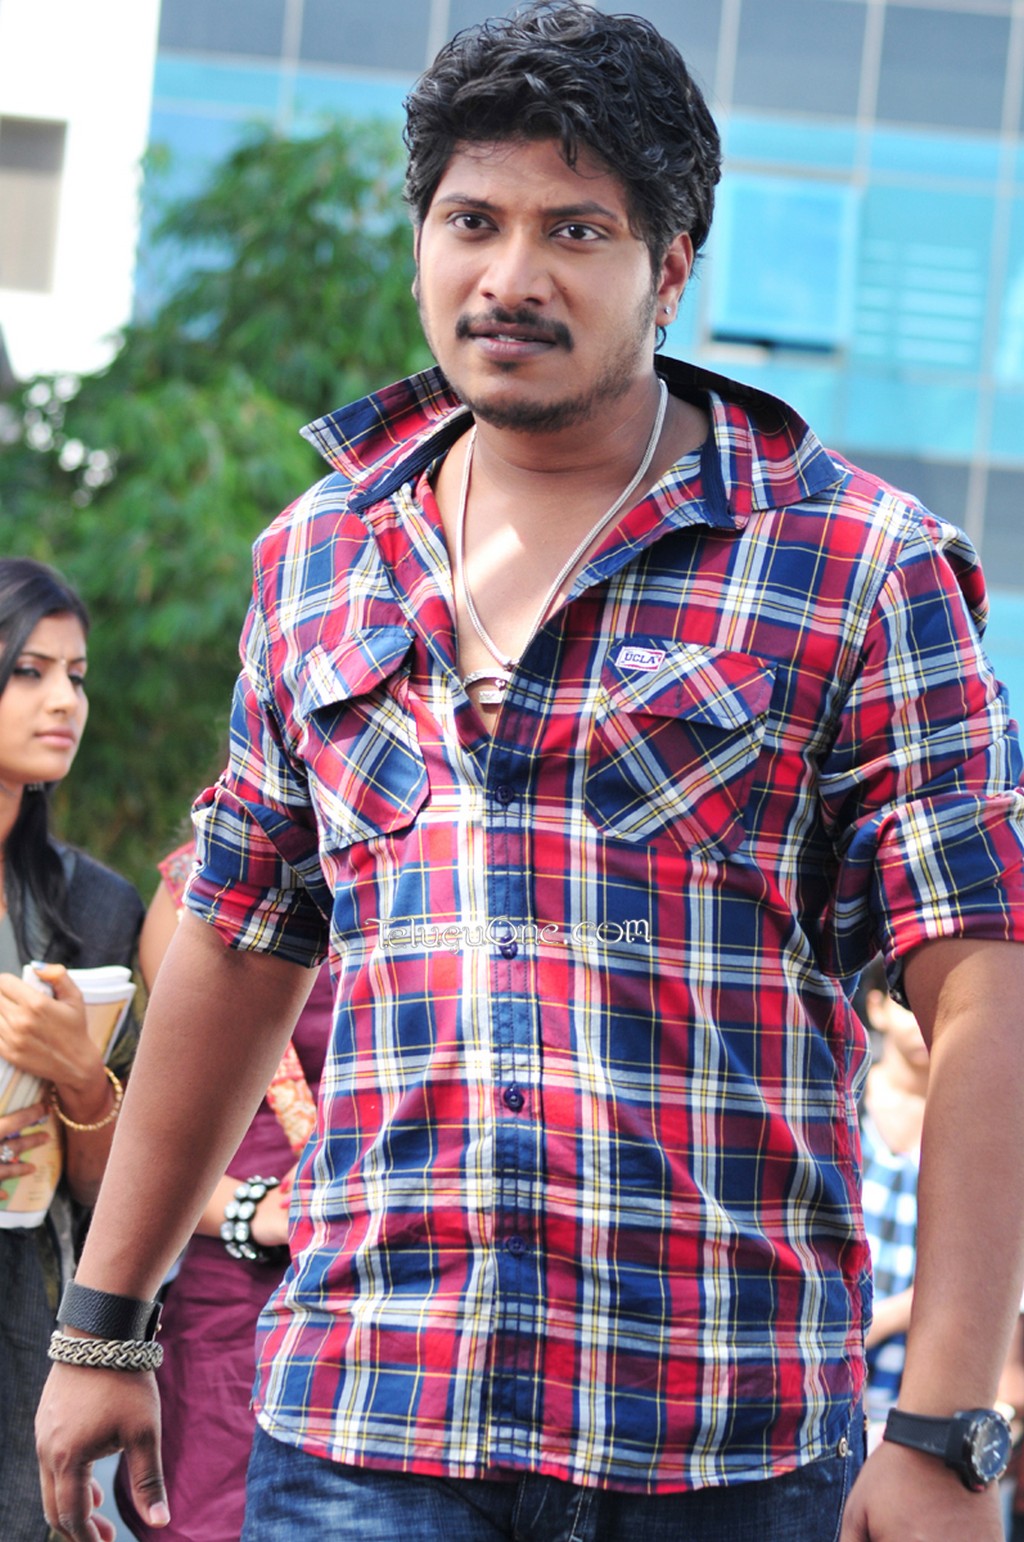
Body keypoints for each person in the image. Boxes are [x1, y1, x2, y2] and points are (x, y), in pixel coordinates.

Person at [35, 5, 1024, 1541]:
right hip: (366, 1429)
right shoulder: (320, 557)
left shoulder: (857, 565)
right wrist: (106, 1323)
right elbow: (237, 940)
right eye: (472, 221)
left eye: (577, 230)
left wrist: (950, 1423)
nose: (511, 276)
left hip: (722, 1446)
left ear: (671, 267)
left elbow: (985, 987)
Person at [113, 840, 331, 1542]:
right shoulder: (197, 883)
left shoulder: (450, 868)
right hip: (239, 1281)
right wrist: (248, 1212)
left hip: (410, 1268)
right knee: (207, 1508)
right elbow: (156, 1124)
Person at [0, 557, 143, 1542]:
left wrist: (79, 1076)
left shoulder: (94, 909)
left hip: (27, 1304)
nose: (65, 701)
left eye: (77, 675)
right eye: (30, 670)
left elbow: (109, 1192)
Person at [856, 959, 929, 1445]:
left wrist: (880, 1322)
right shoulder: (843, 1101)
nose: (925, 1020)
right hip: (833, 1391)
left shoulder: (973, 1129)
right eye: (910, 1003)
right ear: (878, 1008)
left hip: (913, 1404)